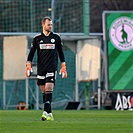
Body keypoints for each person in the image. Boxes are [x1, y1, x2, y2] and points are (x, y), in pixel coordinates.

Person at [26, 16, 67, 121]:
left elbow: (61, 53)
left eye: (51, 24)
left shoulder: (56, 37)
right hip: (41, 68)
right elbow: (31, 53)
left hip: (52, 67)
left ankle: (44, 112)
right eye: (49, 24)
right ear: (43, 25)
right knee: (44, 91)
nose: (50, 26)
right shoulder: (37, 39)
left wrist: (63, 66)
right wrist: (28, 65)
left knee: (49, 88)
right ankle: (50, 114)